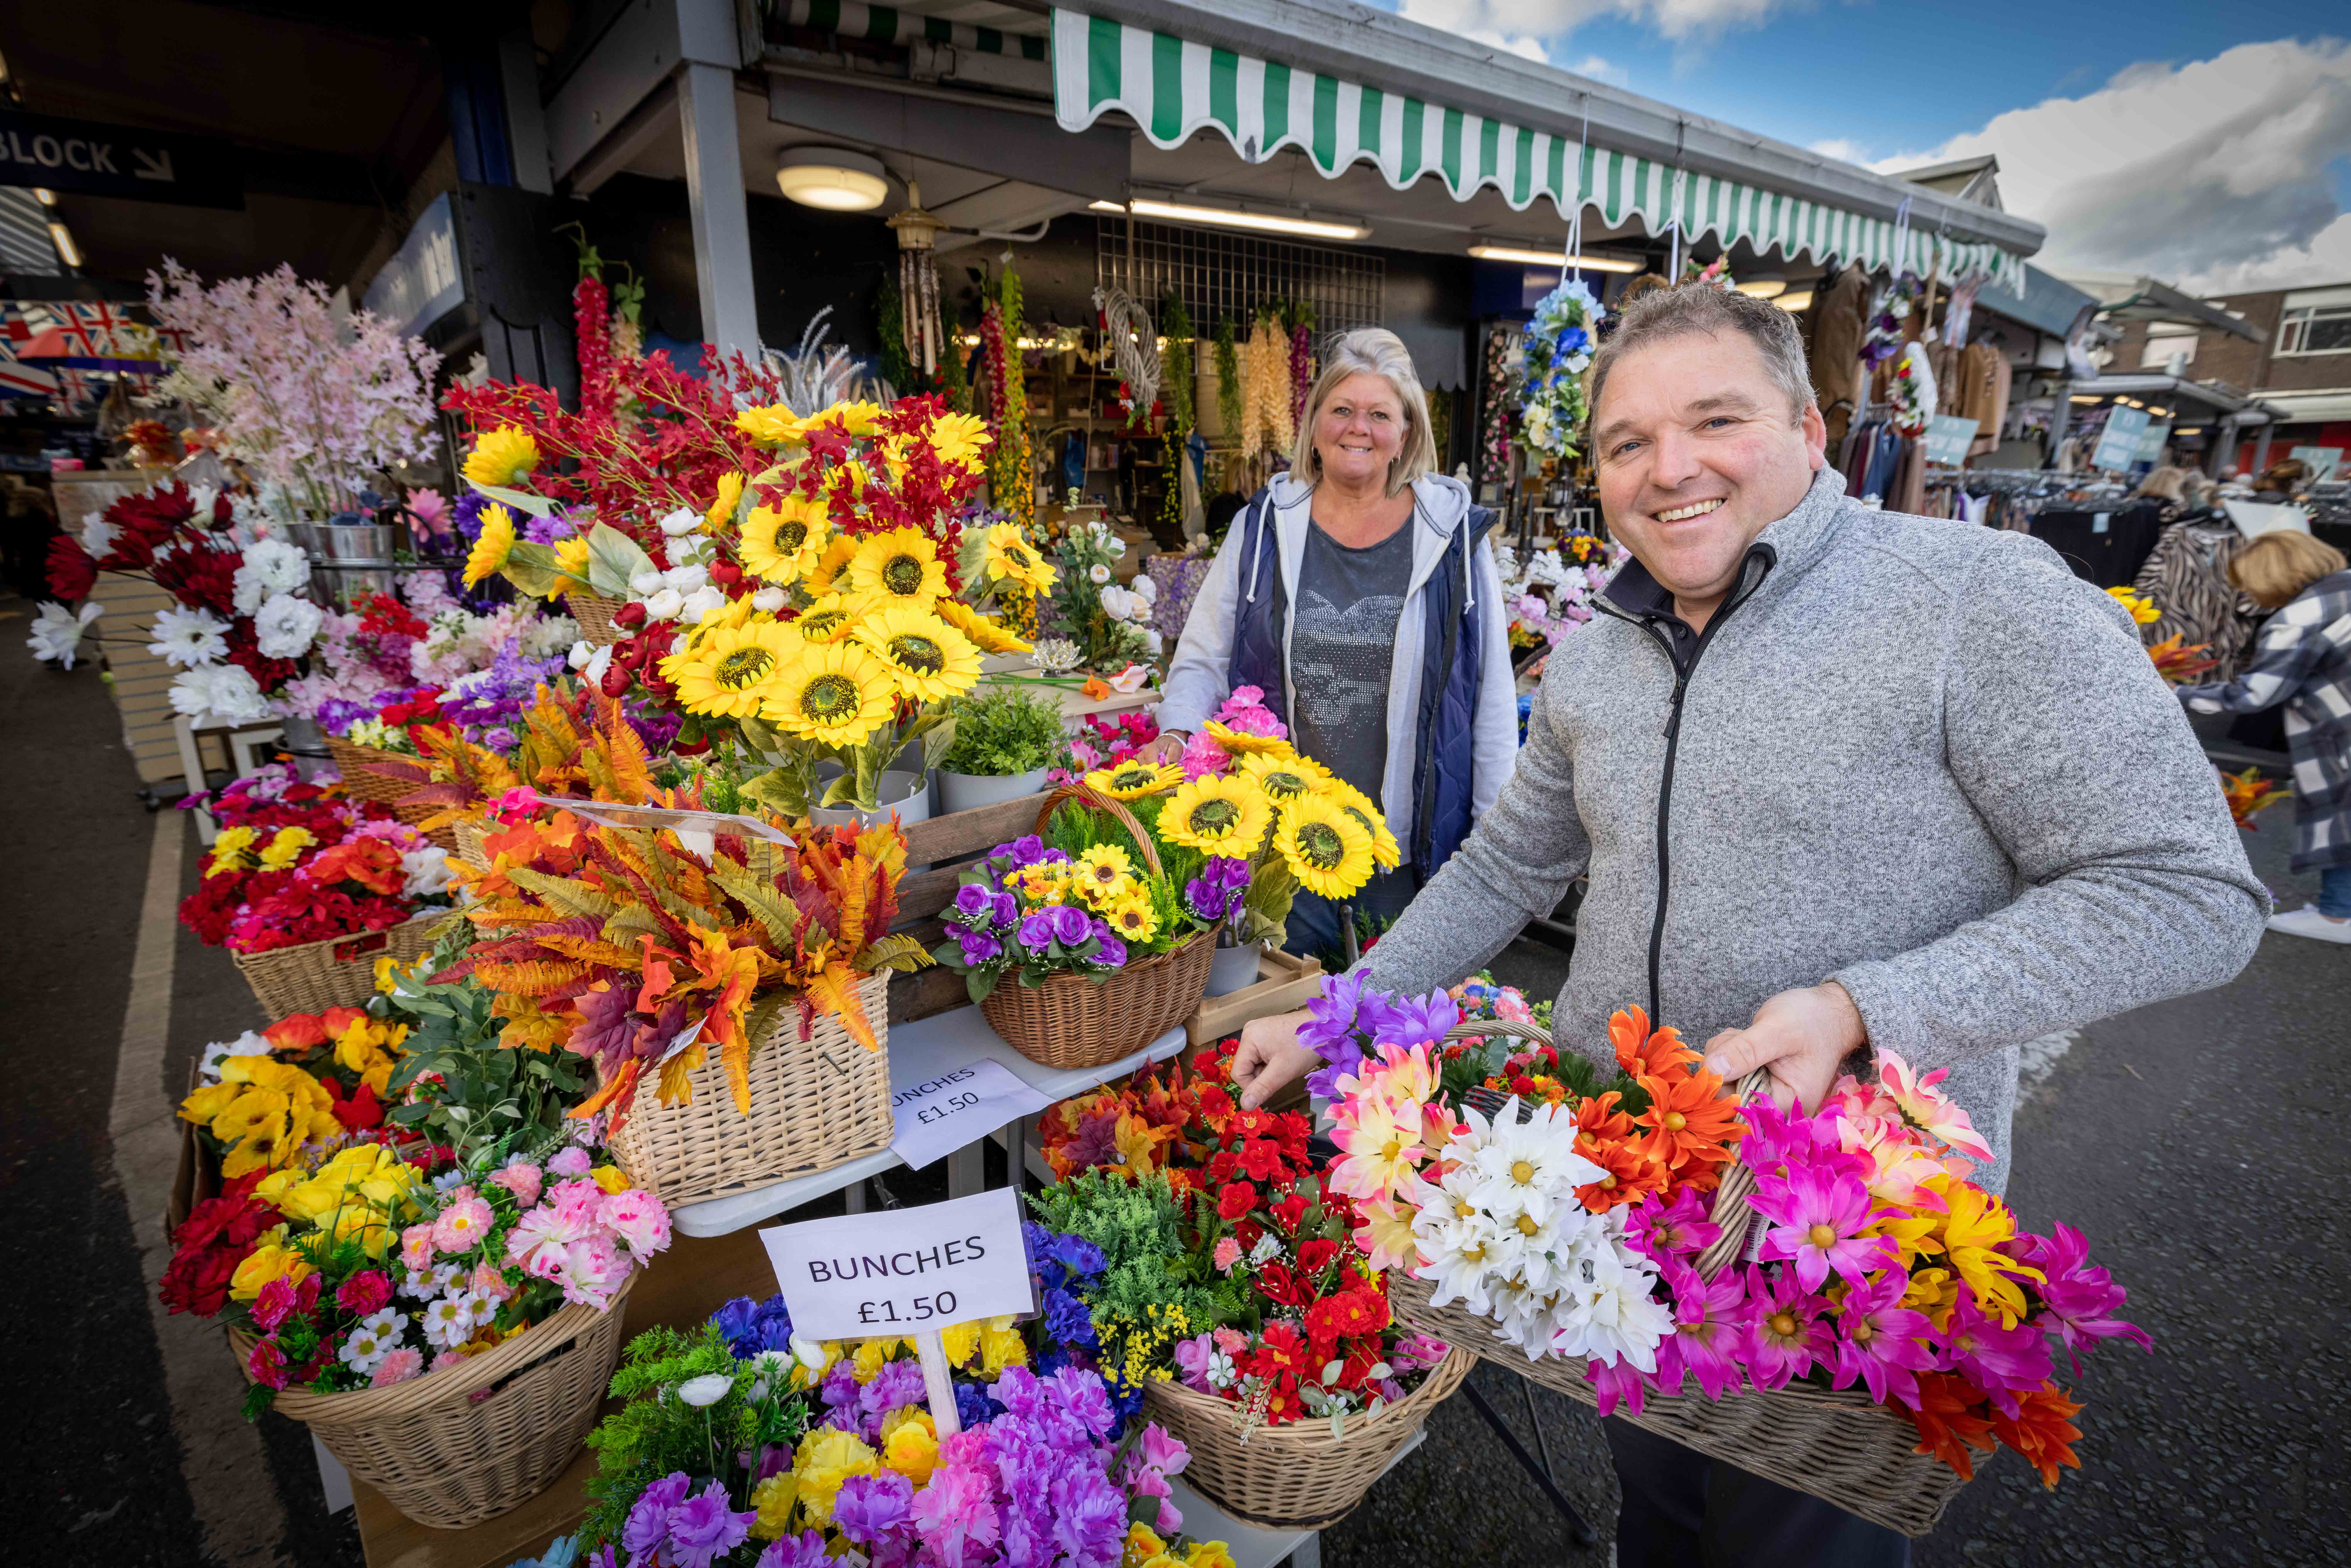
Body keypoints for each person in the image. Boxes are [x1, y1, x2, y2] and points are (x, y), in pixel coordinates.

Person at [1228, 285, 2268, 1566]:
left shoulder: (1973, 598)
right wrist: (1338, 1007)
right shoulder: (1598, 652)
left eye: (1713, 420)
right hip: (1616, 1215)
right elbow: (1505, 864)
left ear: (1810, 430)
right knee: (1657, 1518)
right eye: (1624, 443)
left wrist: (1863, 1011)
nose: (1668, 469)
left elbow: (2185, 891)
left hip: (1840, 1251)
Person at [1150, 327, 1516, 958]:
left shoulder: (1452, 536)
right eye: (1342, 410)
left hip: (1404, 848)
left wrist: (1497, 837)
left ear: (1406, 433)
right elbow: (1203, 655)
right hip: (1283, 846)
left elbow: (1489, 699)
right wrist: (1178, 731)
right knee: (1283, 1023)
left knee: (1392, 1038)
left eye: (1380, 414)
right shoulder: (1264, 525)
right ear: (1315, 424)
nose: (1359, 428)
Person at [2178, 530, 2351, 943]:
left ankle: (2338, 915)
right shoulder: (2344, 586)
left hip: (2339, 729)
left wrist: (2178, 693)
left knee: (2342, 817)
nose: (2251, 595)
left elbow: (2257, 693)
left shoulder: (2299, 619)